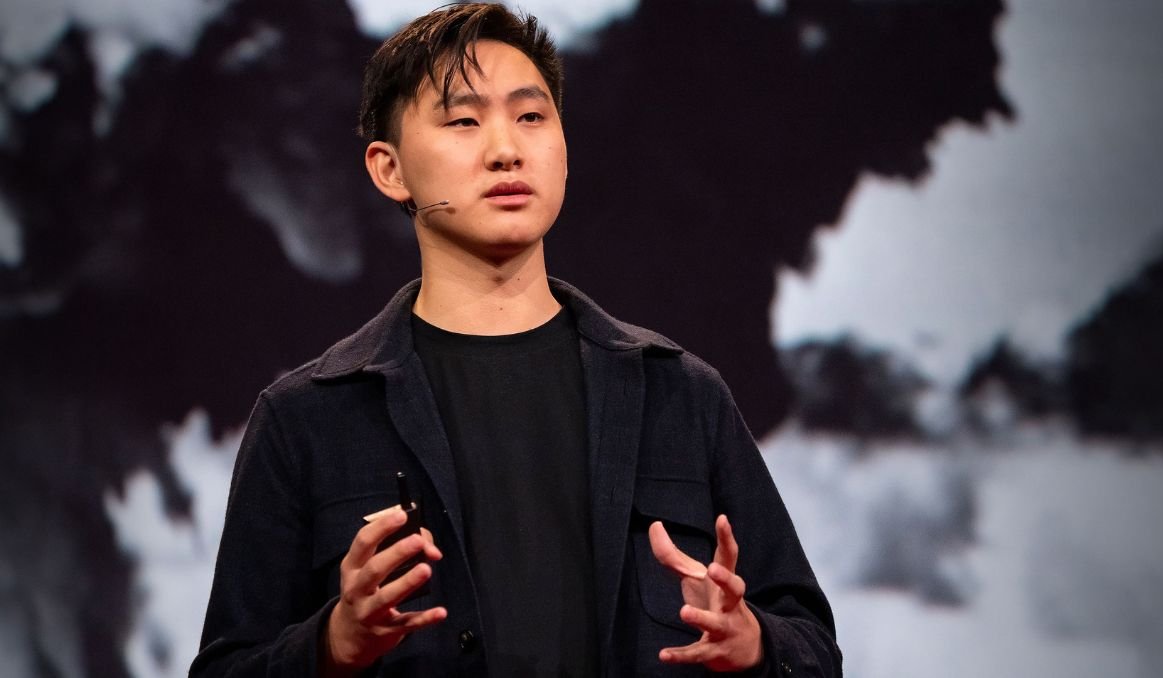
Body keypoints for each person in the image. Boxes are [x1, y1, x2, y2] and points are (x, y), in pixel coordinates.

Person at [191, 4, 840, 676]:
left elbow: (815, 649)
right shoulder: (306, 420)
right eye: (464, 121)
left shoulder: (680, 397)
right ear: (389, 170)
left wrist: (755, 643)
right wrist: (330, 645)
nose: (506, 148)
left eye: (531, 117)